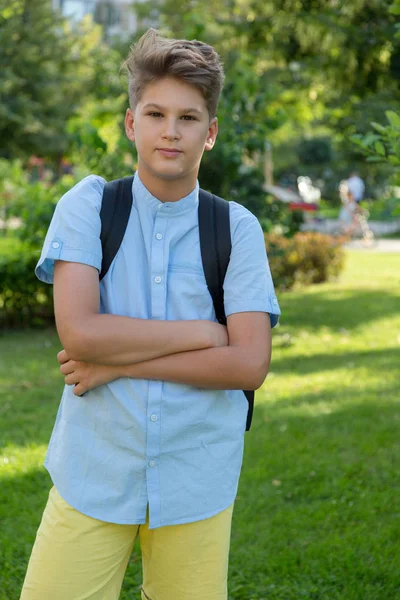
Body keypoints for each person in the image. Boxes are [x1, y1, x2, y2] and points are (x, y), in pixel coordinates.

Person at [20, 28, 281, 600]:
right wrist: (204, 334)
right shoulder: (88, 206)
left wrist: (118, 364)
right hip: (95, 471)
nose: (171, 131)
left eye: (189, 118)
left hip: (196, 476)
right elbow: (80, 333)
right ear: (130, 123)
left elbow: (248, 366)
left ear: (209, 133)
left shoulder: (235, 229)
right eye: (156, 112)